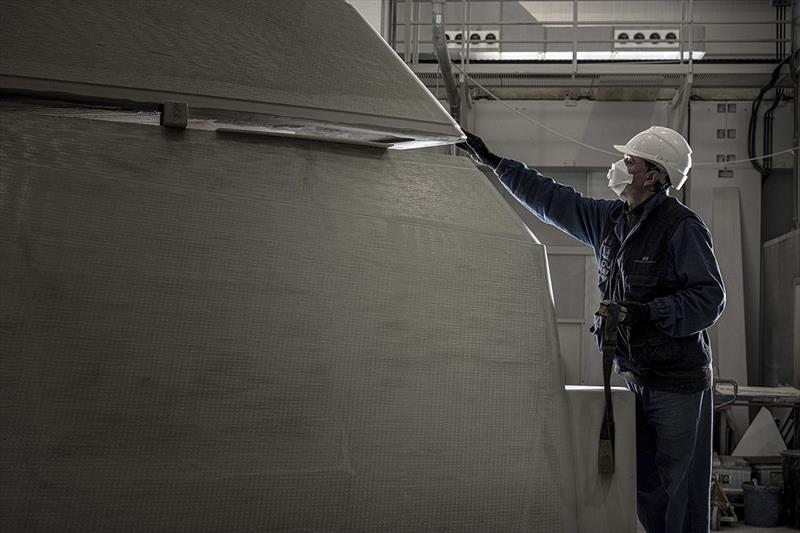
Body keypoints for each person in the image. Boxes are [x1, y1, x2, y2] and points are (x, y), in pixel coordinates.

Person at [459, 126, 725, 533]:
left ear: (653, 176)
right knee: (647, 489)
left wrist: (646, 312)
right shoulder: (612, 221)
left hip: (677, 384)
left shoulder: (681, 227)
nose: (621, 166)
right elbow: (552, 199)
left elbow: (709, 299)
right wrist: (496, 163)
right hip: (635, 376)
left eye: (630, 161)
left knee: (679, 491)